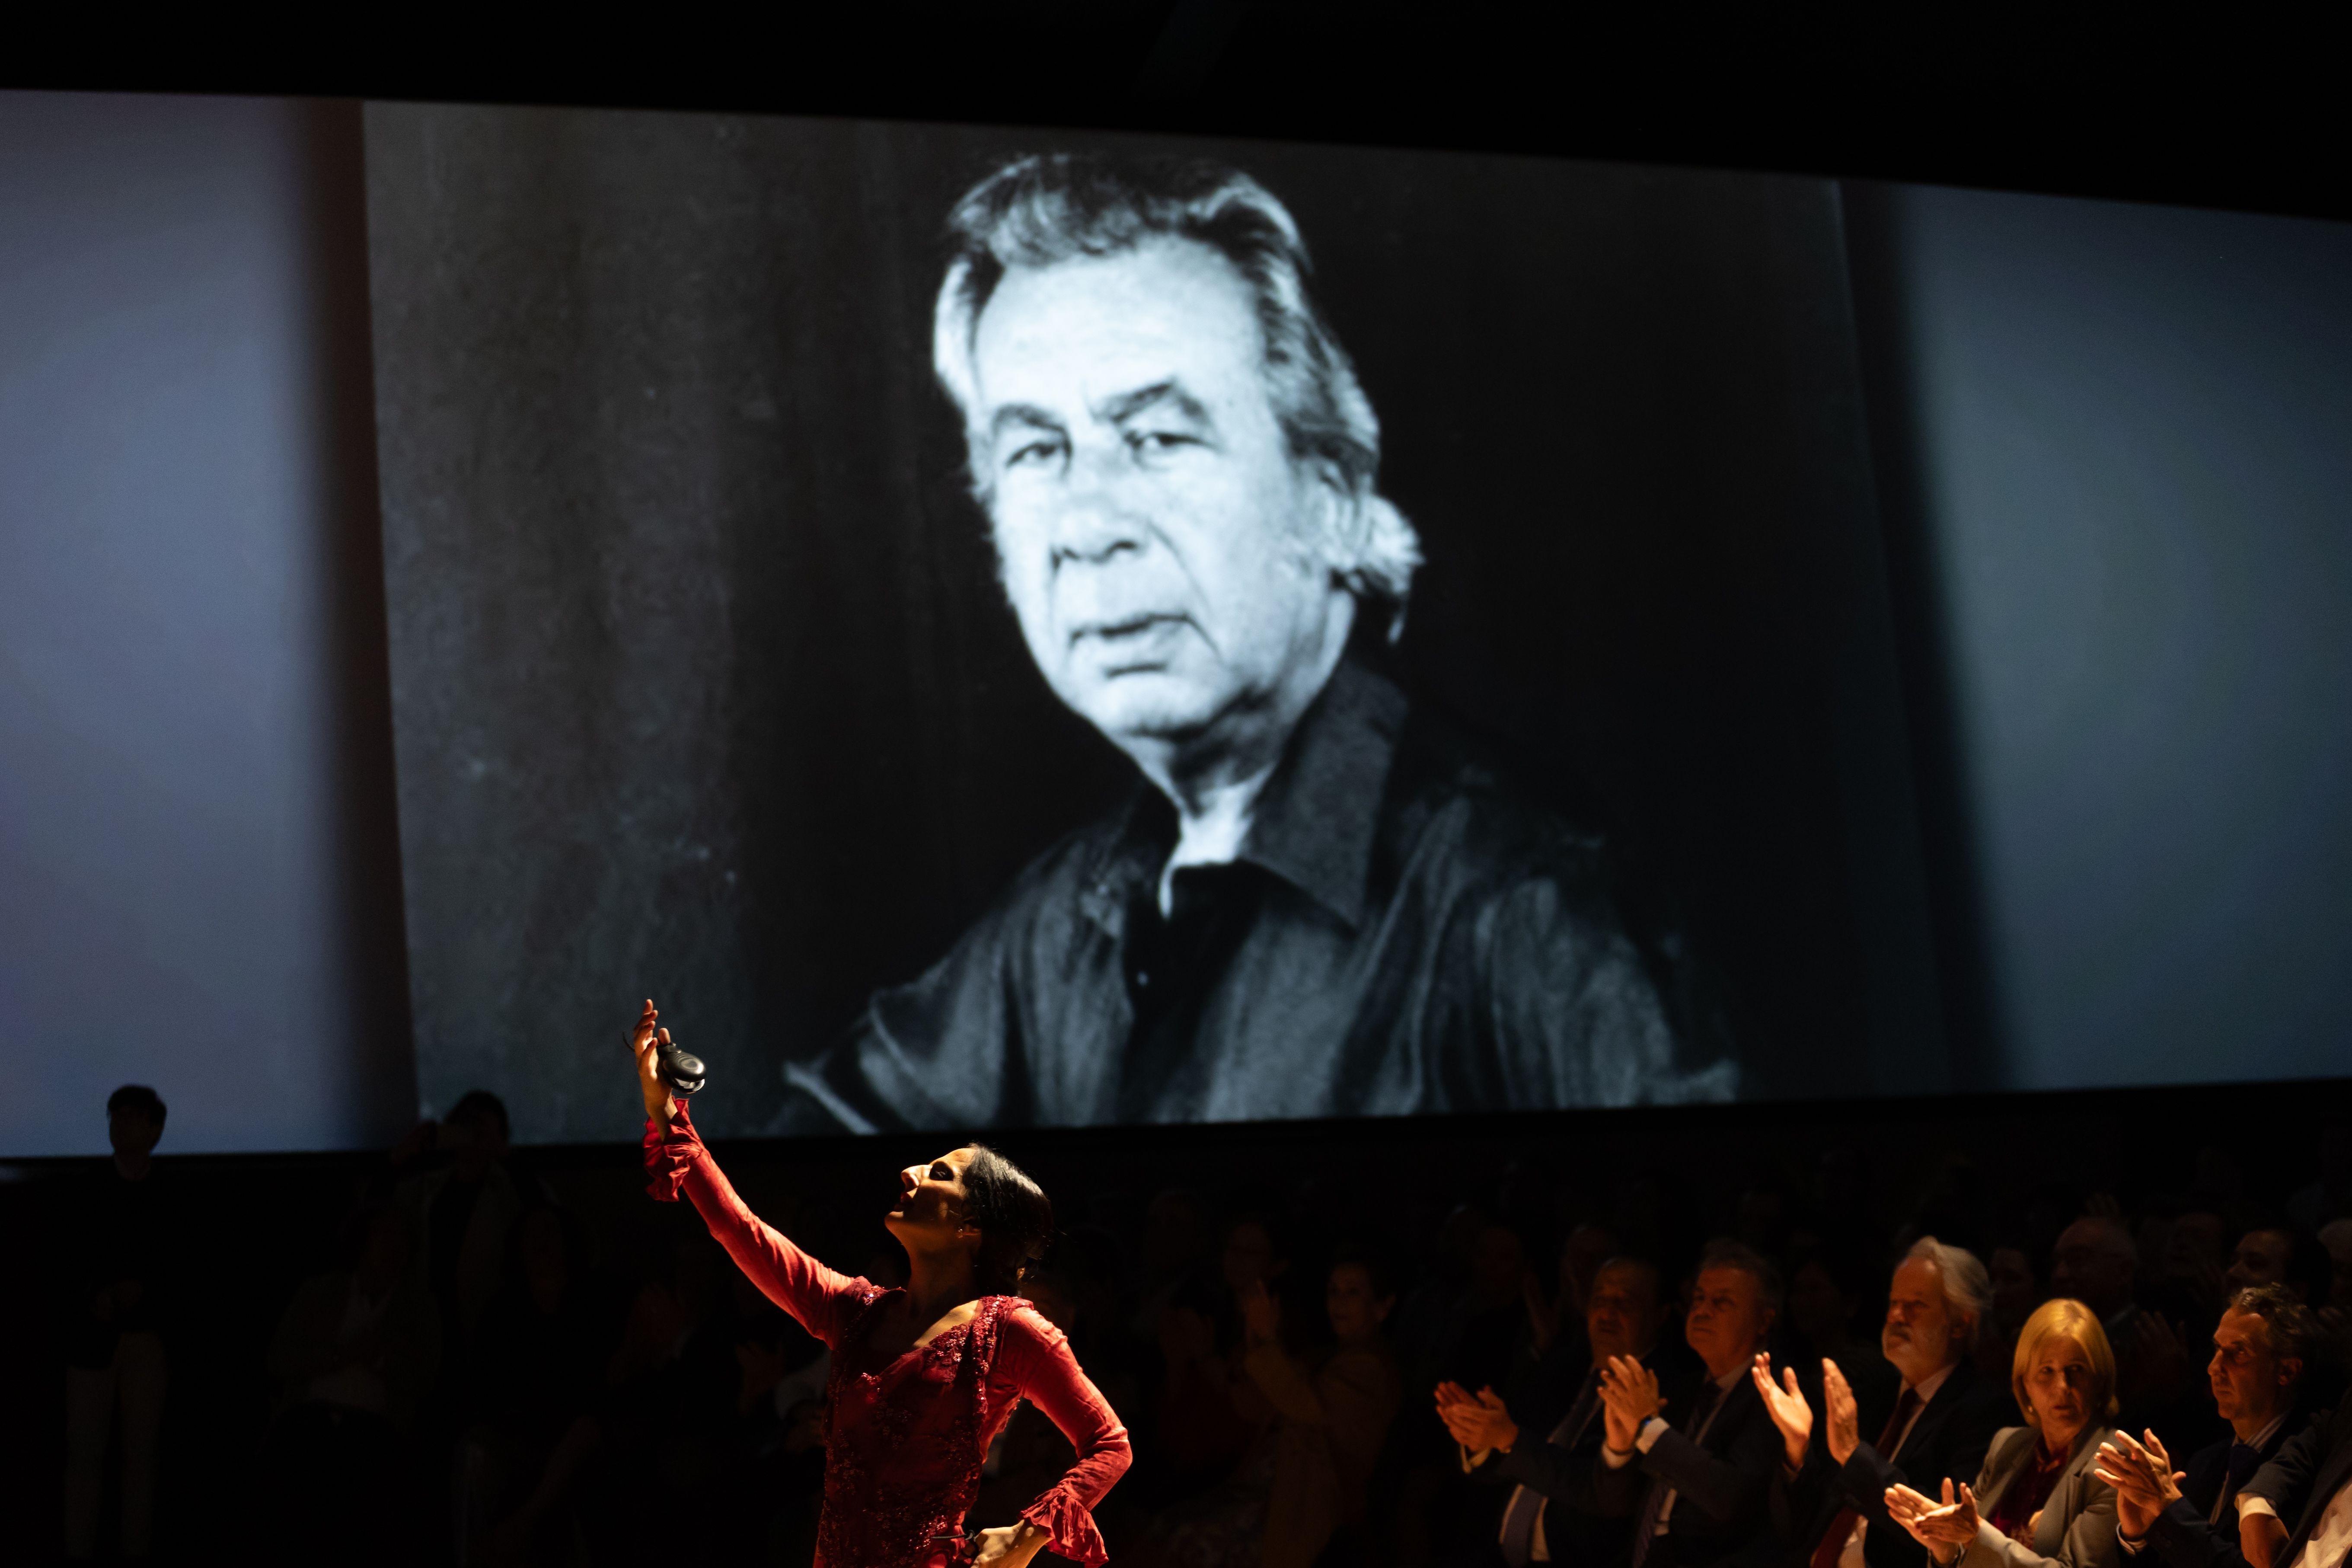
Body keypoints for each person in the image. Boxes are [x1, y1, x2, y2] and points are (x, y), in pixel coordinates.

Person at [774, 151, 1736, 1134]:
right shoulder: (1074, 911)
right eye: (1036, 451)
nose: (1086, 523)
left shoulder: (1524, 904)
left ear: (1329, 499)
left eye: (1156, 438)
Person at [631, 1000, 1130, 1567]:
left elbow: (1109, 1442)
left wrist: (1025, 1536)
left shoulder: (1009, 1329)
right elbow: (737, 1226)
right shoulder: (856, 1309)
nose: (908, 1171)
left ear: (972, 1227)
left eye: (939, 1173)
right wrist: (667, 1109)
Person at [1760, 1237, 2011, 1568]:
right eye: (1893, 1302)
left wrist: (1853, 1453)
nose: (1895, 1316)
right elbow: (1796, 1527)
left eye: (1915, 1305)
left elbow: (1942, 1533)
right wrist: (1797, 1450)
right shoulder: (1871, 1395)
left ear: (1960, 1323)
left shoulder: (1984, 1410)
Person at [1436, 1254, 1680, 1566]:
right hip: (1493, 1554)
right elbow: (1509, 1455)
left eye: (1625, 1303)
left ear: (1659, 1314)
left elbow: (1601, 1491)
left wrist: (1509, 1439)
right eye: (1599, 1299)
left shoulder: (1661, 1392)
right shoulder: (1563, 1366)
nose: (1607, 1313)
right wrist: (1479, 1437)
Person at [1884, 1297, 2122, 1568]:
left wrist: (1977, 1536)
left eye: (2076, 1370)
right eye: (2047, 1371)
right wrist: (1946, 1551)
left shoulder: (2114, 1463)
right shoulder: (2008, 1445)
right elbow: (1968, 1555)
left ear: (2100, 1379)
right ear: (2025, 1384)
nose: (2062, 1386)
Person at [1593, 1241, 1788, 1568]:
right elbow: (1614, 1504)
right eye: (1698, 1298)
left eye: (1721, 1301)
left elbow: (1730, 1498)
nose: (1702, 1310)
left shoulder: (1776, 1397)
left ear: (1763, 1321)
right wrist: (1619, 1447)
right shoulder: (1680, 1388)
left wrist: (1647, 1425)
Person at [2097, 1285, 2316, 1568]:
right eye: (2216, 1348)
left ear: (2286, 1371)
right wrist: (2137, 1535)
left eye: (2237, 1353)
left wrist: (2168, 1507)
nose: (2214, 1367)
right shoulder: (2204, 1461)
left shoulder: (2305, 1475)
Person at [63, 1083, 177, 1564]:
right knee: (84, 1459)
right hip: (92, 1339)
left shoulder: (172, 1194)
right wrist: (97, 1295)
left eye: (132, 1116)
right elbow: (63, 1260)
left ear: (154, 1129)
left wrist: (143, 1292)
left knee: (141, 1458)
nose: (120, 1123)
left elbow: (184, 1265)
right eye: (116, 1114)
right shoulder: (86, 1186)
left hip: (147, 1338)